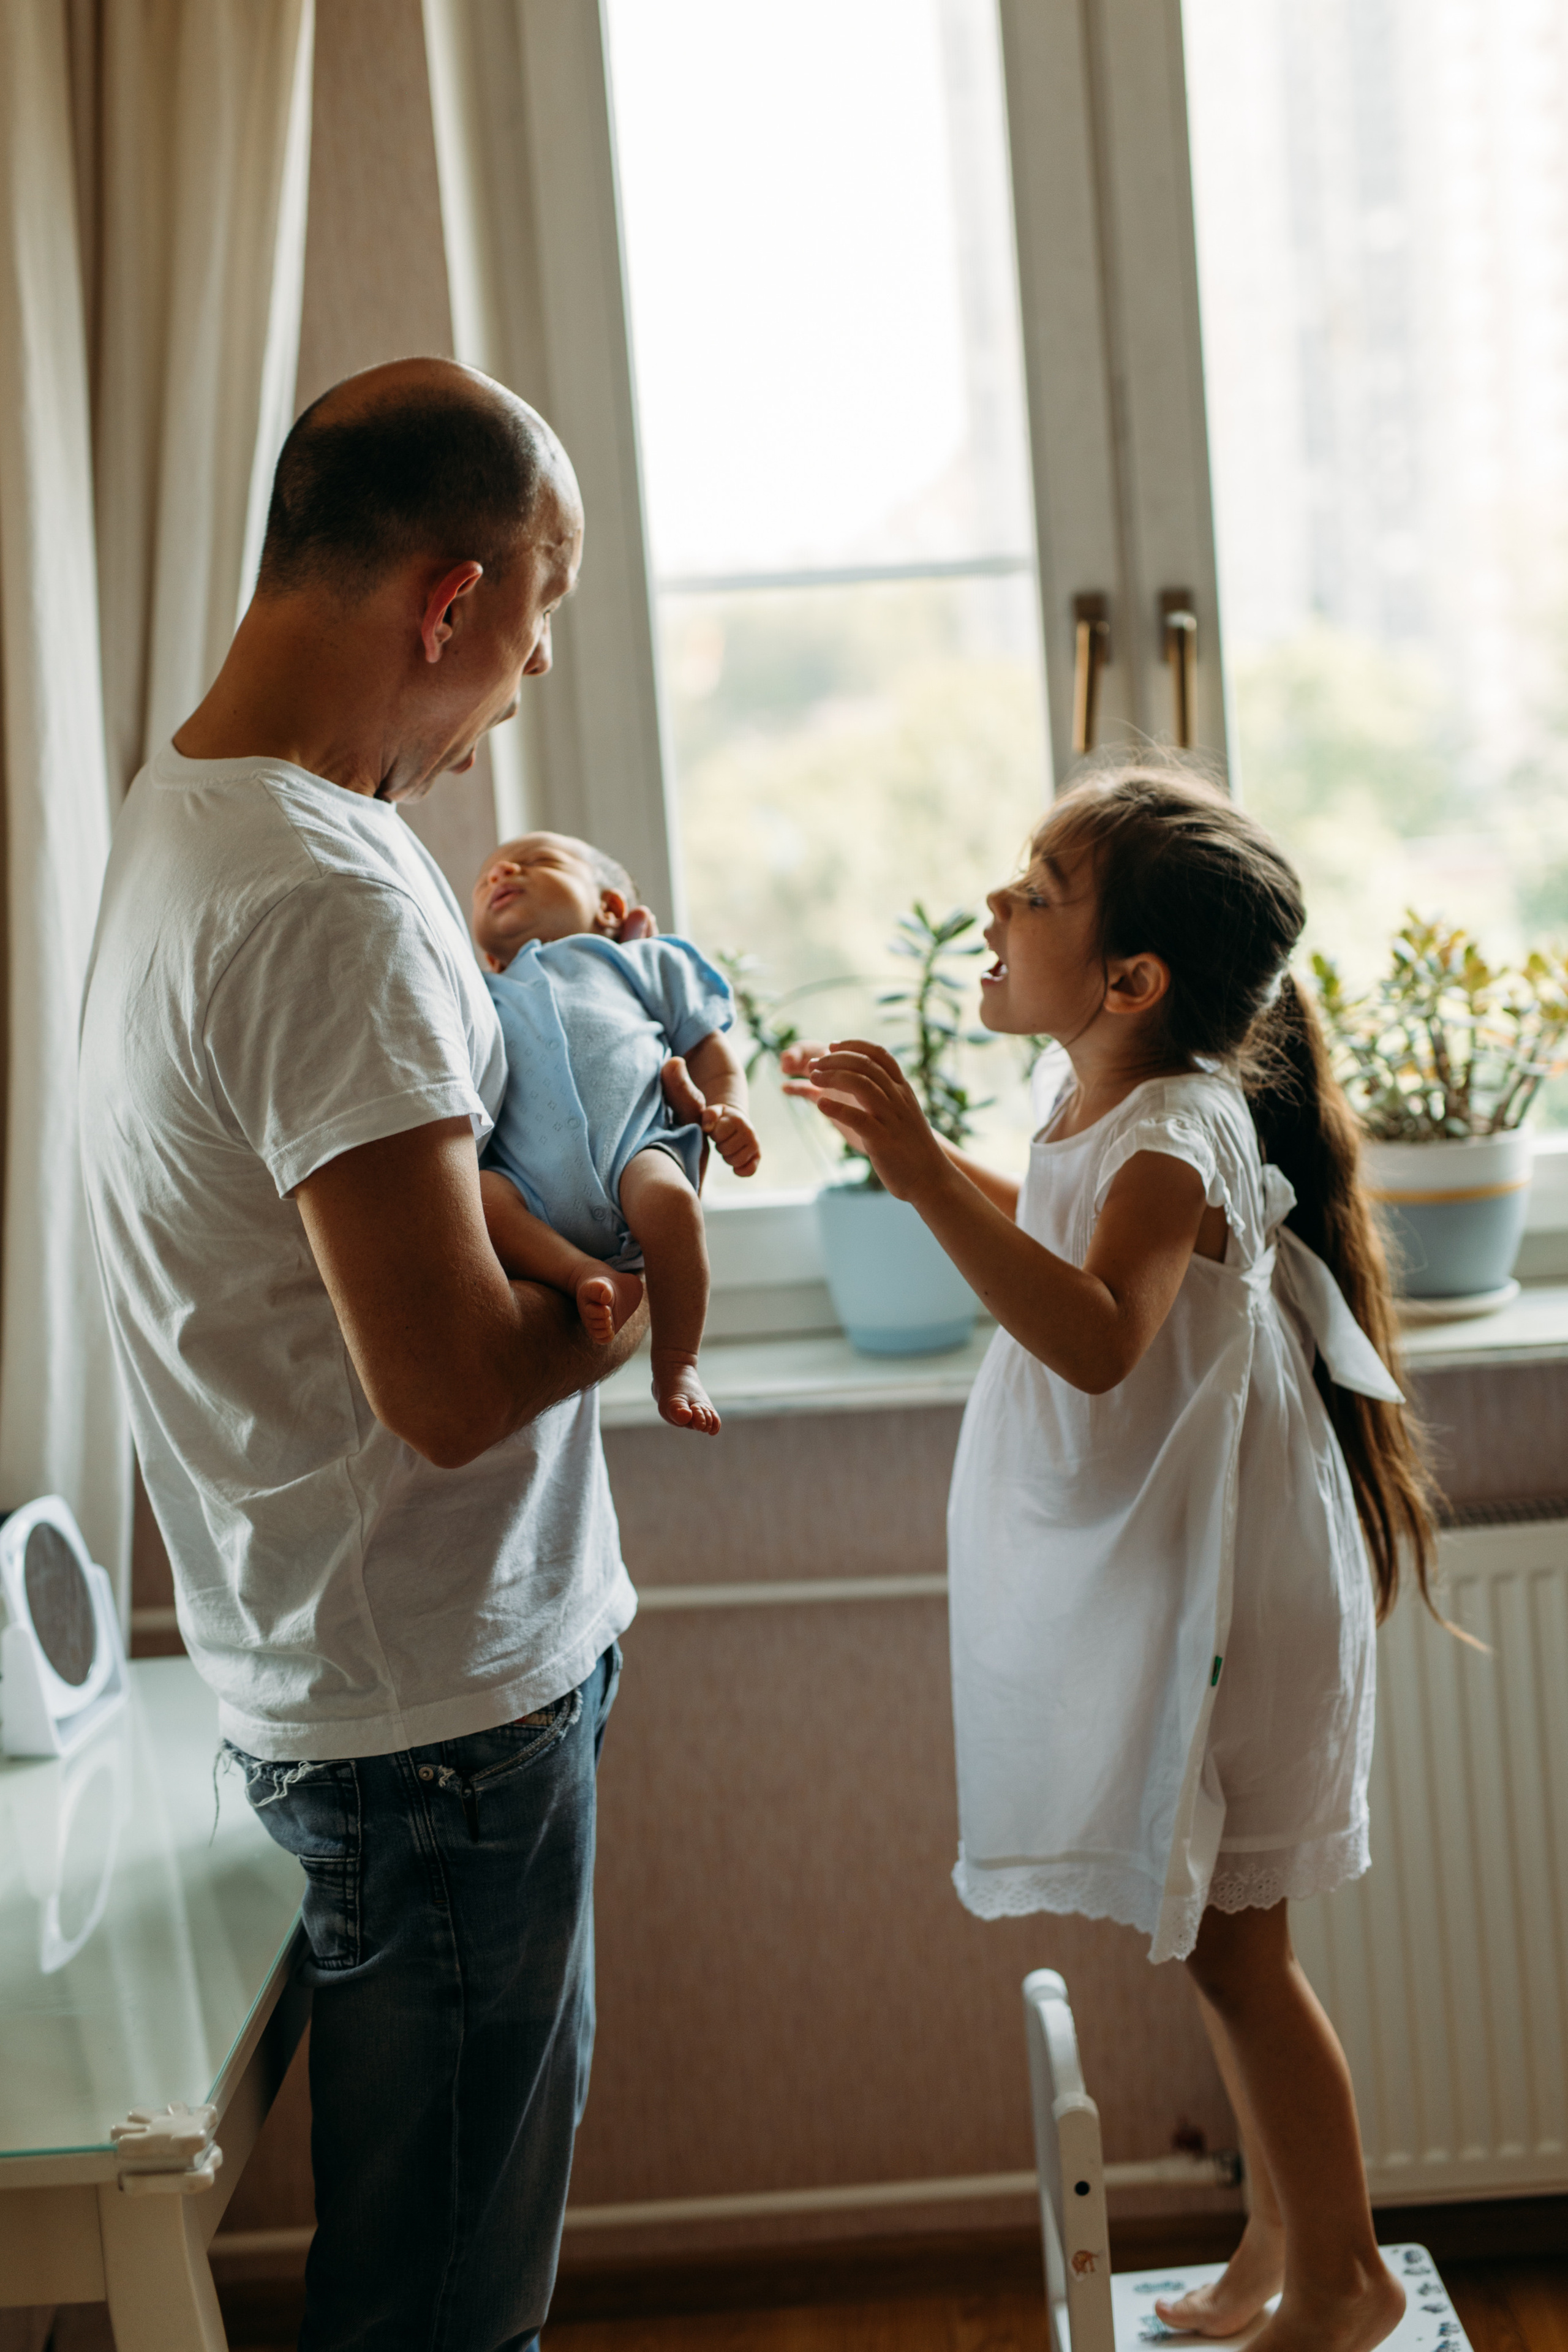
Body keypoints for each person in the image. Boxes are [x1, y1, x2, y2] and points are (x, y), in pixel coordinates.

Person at [79, 359, 645, 2352]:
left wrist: (518, 979)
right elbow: (448, 1385)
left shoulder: (211, 819)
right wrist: (631, 1270)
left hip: (364, 1681)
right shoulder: (319, 894)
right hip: (444, 1725)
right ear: (448, 601)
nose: (529, 678)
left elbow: (359, 1171)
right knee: (440, 2311)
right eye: (538, 625)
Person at [784, 763, 1439, 2352]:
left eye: (1035, 891)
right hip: (1189, 1569)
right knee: (1217, 1940)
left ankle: (1343, 2278)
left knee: (1236, 1954)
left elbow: (1095, 1334)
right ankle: (1280, 2243)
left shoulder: (1181, 1123)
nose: (997, 909)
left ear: (1132, 980)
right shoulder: (1105, 1102)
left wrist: (926, 1169)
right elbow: (1070, 1227)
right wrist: (936, 1170)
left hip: (1233, 1587)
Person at [470, 829, 760, 1434]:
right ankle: (583, 1274)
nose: (501, 874)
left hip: (633, 1153)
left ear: (610, 909)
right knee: (480, 1201)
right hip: (526, 1182)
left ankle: (677, 1362)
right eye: (486, 878)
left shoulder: (640, 961)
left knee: (673, 1201)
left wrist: (729, 1111)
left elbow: (710, 1052)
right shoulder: (480, 996)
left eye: (535, 862)